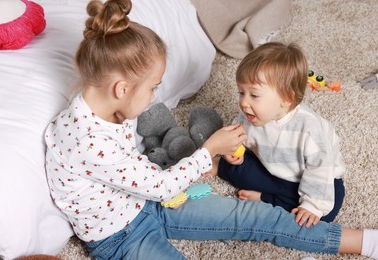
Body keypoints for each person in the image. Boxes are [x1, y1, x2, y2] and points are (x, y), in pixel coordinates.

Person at [44, 1, 378, 259]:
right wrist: (208, 151)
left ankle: (364, 241)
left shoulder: (104, 104)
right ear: (121, 89)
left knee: (253, 217)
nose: (154, 97)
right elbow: (159, 185)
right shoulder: (84, 141)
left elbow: (147, 179)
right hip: (120, 235)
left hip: (150, 200)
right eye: (152, 88)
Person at [210, 42, 346, 227]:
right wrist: (234, 151)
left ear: (286, 98)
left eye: (254, 95)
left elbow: (320, 169)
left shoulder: (309, 129)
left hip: (313, 177)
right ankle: (222, 167)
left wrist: (312, 206)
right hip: (271, 168)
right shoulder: (250, 116)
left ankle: (266, 198)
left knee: (325, 211)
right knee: (238, 167)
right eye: (241, 93)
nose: (244, 102)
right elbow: (238, 134)